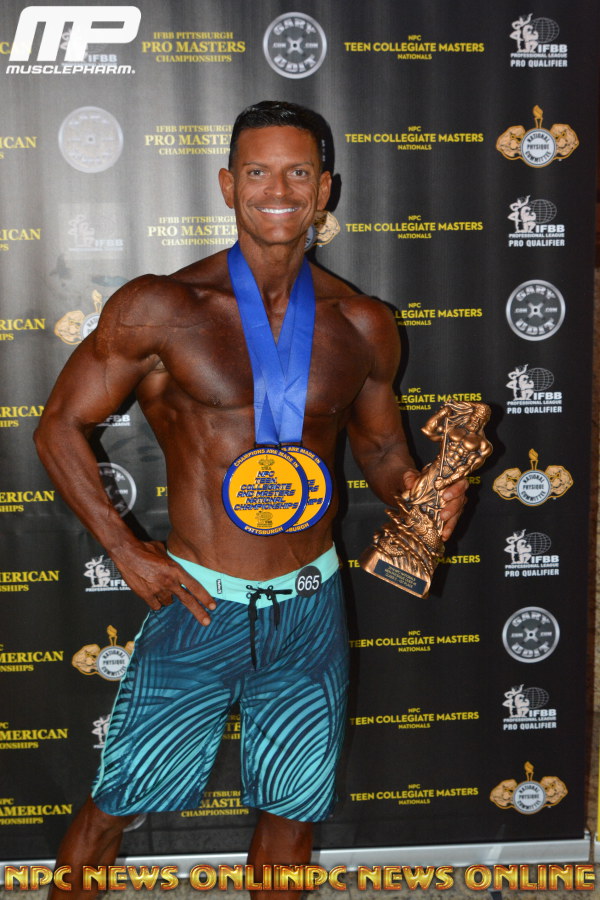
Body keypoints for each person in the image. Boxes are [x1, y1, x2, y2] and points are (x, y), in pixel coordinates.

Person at [35, 101, 468, 897]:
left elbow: (380, 451)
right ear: (229, 185)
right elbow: (59, 426)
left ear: (325, 189)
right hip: (201, 604)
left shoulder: (363, 323)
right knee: (115, 805)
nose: (279, 190)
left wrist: (421, 495)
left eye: (298, 172)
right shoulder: (163, 307)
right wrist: (125, 548)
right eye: (259, 172)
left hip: (310, 608)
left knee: (291, 818)